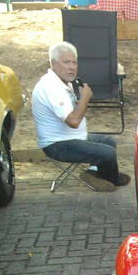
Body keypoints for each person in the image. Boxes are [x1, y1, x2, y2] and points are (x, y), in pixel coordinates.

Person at [32, 42, 129, 192]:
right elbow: (74, 121)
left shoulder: (64, 82)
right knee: (107, 153)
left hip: (72, 137)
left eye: (74, 62)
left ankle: (95, 174)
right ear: (53, 64)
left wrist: (81, 100)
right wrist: (84, 98)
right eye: (66, 62)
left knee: (109, 142)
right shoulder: (50, 86)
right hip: (57, 145)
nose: (72, 67)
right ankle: (110, 178)